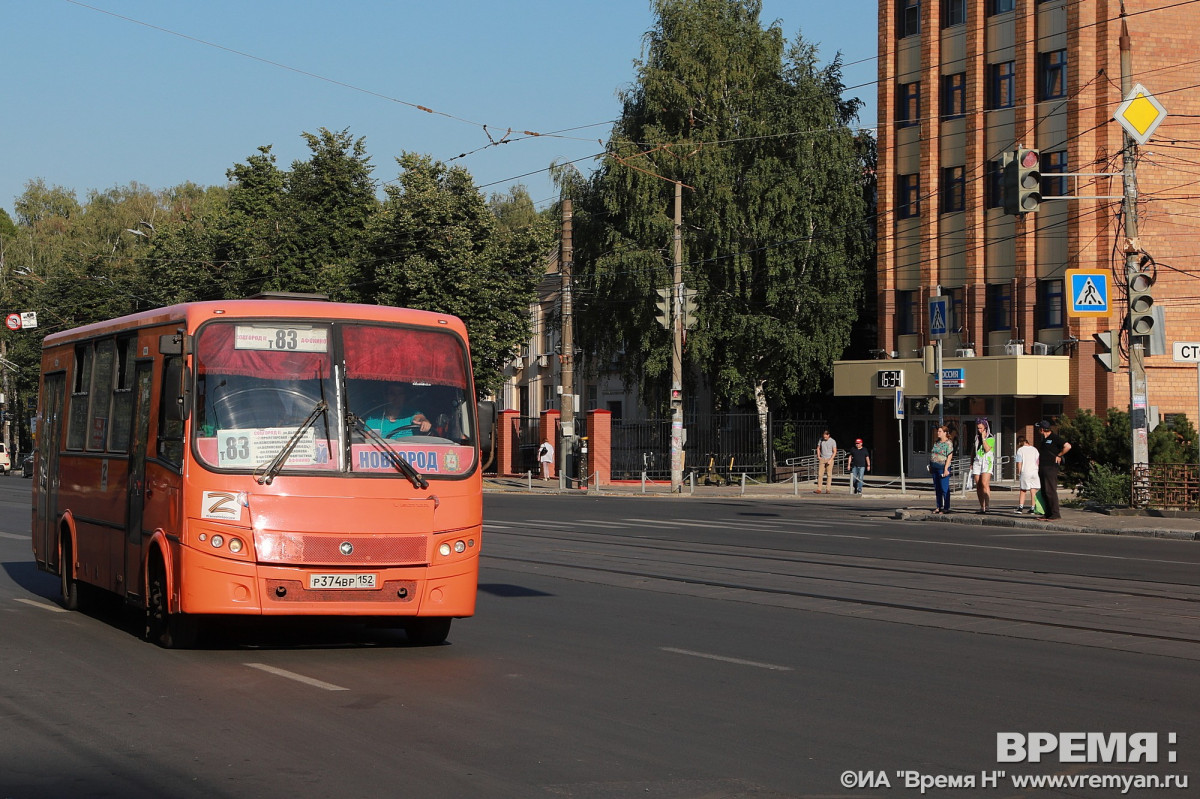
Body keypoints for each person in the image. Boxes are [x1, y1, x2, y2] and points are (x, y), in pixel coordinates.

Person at [365, 383, 432, 438]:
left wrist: (424, 422)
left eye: (400, 394)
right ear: (386, 396)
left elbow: (419, 418)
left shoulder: (411, 414)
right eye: (392, 393)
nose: (396, 397)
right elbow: (371, 443)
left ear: (404, 396)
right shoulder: (374, 419)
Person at [1035, 419, 1071, 520]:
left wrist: (1059, 455)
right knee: (1044, 491)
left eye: (1038, 428)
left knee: (1050, 490)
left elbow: (1068, 446)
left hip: (1051, 467)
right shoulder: (1044, 440)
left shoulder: (1054, 438)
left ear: (1042, 429)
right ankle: (1048, 513)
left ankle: (1055, 514)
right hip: (1043, 467)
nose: (1038, 430)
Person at [928, 425, 953, 514]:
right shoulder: (937, 442)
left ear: (945, 433)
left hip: (942, 468)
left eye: (940, 431)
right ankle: (939, 506)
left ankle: (946, 507)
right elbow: (933, 454)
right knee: (937, 488)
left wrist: (946, 469)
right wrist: (931, 465)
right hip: (935, 467)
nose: (938, 433)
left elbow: (949, 456)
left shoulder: (948, 443)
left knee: (944, 488)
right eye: (938, 431)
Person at [972, 418, 995, 513]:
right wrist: (971, 462)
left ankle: (987, 505)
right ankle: (982, 506)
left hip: (987, 461)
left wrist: (983, 438)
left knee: (984, 483)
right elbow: (973, 450)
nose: (979, 430)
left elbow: (987, 449)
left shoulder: (990, 437)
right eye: (978, 428)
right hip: (977, 461)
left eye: (981, 428)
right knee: (978, 485)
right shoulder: (976, 438)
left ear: (985, 427)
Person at [1015, 436, 1041, 514]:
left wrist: (1019, 472)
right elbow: (1038, 461)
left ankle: (1020, 508)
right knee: (1033, 490)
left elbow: (1019, 462)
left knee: (1023, 490)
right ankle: (1033, 508)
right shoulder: (1034, 449)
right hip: (1035, 471)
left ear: (1020, 442)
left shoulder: (1020, 450)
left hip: (1025, 471)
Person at [814, 429, 837, 494]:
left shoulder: (832, 441)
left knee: (829, 475)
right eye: (824, 437)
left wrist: (830, 459)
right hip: (822, 459)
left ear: (828, 435)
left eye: (826, 437)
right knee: (820, 474)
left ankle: (828, 489)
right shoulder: (821, 440)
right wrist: (818, 456)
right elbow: (818, 448)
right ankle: (819, 489)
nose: (825, 438)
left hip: (829, 458)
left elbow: (835, 451)